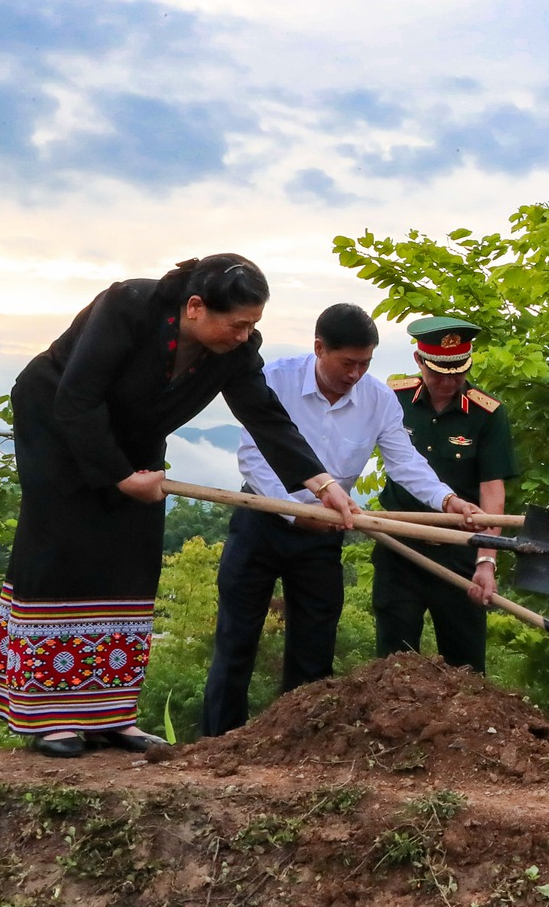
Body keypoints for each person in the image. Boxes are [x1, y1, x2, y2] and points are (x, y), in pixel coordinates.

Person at [0, 255, 358, 758]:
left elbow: (264, 413)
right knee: (63, 550)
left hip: (137, 440)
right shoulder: (127, 306)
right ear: (195, 307)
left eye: (253, 326)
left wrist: (320, 482)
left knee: (132, 556)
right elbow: (77, 398)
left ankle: (112, 715)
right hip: (59, 426)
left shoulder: (236, 350)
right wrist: (118, 477)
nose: (244, 335)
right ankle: (50, 718)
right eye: (238, 323)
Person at [200, 305, 486, 737]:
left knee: (315, 645)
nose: (355, 374)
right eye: (347, 363)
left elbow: (405, 462)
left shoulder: (378, 399)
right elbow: (254, 457)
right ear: (319, 348)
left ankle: (300, 745)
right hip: (260, 518)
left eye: (365, 363)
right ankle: (217, 742)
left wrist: (447, 500)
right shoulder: (274, 380)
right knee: (236, 638)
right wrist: (297, 513)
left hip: (327, 531)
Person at [372, 316, 520, 672]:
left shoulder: (487, 413)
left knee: (465, 664)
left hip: (458, 550)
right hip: (399, 545)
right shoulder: (394, 398)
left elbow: (492, 492)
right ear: (419, 361)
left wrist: (487, 561)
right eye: (439, 372)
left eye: (458, 372)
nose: (450, 382)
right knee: (394, 663)